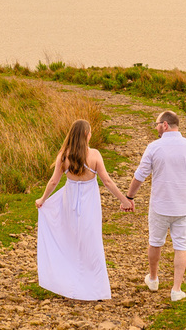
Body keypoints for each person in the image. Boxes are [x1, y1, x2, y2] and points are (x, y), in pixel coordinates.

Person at [35, 118, 134, 300]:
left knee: (71, 239)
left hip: (69, 200)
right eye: (90, 132)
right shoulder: (94, 154)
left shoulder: (64, 156)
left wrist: (42, 199)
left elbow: (54, 181)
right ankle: (95, 288)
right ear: (86, 135)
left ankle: (72, 284)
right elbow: (107, 181)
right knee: (91, 240)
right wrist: (124, 200)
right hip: (89, 203)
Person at [124, 110, 186, 302]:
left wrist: (129, 196)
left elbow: (140, 175)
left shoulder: (154, 147)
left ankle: (153, 279)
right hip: (182, 206)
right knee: (181, 245)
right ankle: (176, 289)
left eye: (156, 124)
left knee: (155, 241)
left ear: (165, 125)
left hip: (159, 206)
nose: (155, 128)